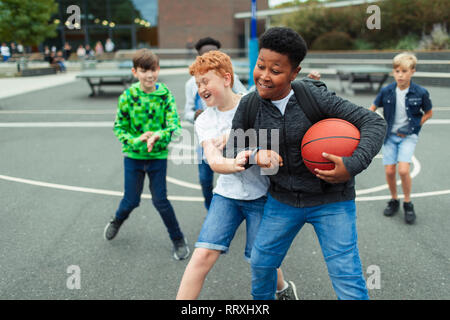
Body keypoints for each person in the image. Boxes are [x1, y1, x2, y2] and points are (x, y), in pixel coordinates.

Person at [225, 27, 387, 300]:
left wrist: (353, 163)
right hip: (283, 200)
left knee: (346, 273)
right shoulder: (250, 104)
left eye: (275, 71)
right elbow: (234, 146)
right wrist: (254, 155)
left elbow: (374, 122)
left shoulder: (313, 97)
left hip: (332, 199)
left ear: (294, 73)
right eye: (260, 66)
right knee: (262, 263)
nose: (264, 76)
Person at [176, 50, 298, 300]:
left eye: (206, 81)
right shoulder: (203, 121)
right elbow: (214, 161)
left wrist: (246, 148)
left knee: (261, 260)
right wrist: (238, 161)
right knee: (202, 255)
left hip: (262, 195)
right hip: (227, 194)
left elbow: (274, 138)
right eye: (198, 84)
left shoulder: (255, 104)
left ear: (226, 78)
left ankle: (282, 289)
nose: (201, 88)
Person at [104, 49, 190, 261]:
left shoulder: (165, 96)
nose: (149, 75)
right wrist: (137, 140)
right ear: (135, 72)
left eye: (152, 70)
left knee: (160, 200)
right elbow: (118, 127)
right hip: (133, 157)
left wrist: (158, 136)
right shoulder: (128, 97)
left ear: (158, 70)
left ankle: (178, 239)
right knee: (131, 200)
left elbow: (174, 126)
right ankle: (117, 220)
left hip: (157, 157)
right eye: (144, 71)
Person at [184, 37, 247, 210]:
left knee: (235, 172)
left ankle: (235, 208)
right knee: (205, 179)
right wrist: (194, 115)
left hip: (230, 137)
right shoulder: (192, 84)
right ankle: (212, 209)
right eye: (205, 55)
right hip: (208, 135)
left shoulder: (228, 78)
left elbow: (246, 97)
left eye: (214, 54)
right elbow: (187, 111)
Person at [370, 52, 432, 224]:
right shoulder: (387, 91)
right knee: (390, 171)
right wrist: (369, 123)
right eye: (397, 71)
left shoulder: (420, 92)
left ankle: (407, 202)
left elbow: (429, 113)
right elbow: (372, 108)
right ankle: (394, 199)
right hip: (389, 136)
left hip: (408, 136)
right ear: (393, 72)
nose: (400, 75)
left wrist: (415, 125)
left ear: (412, 71)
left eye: (404, 71)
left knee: (404, 170)